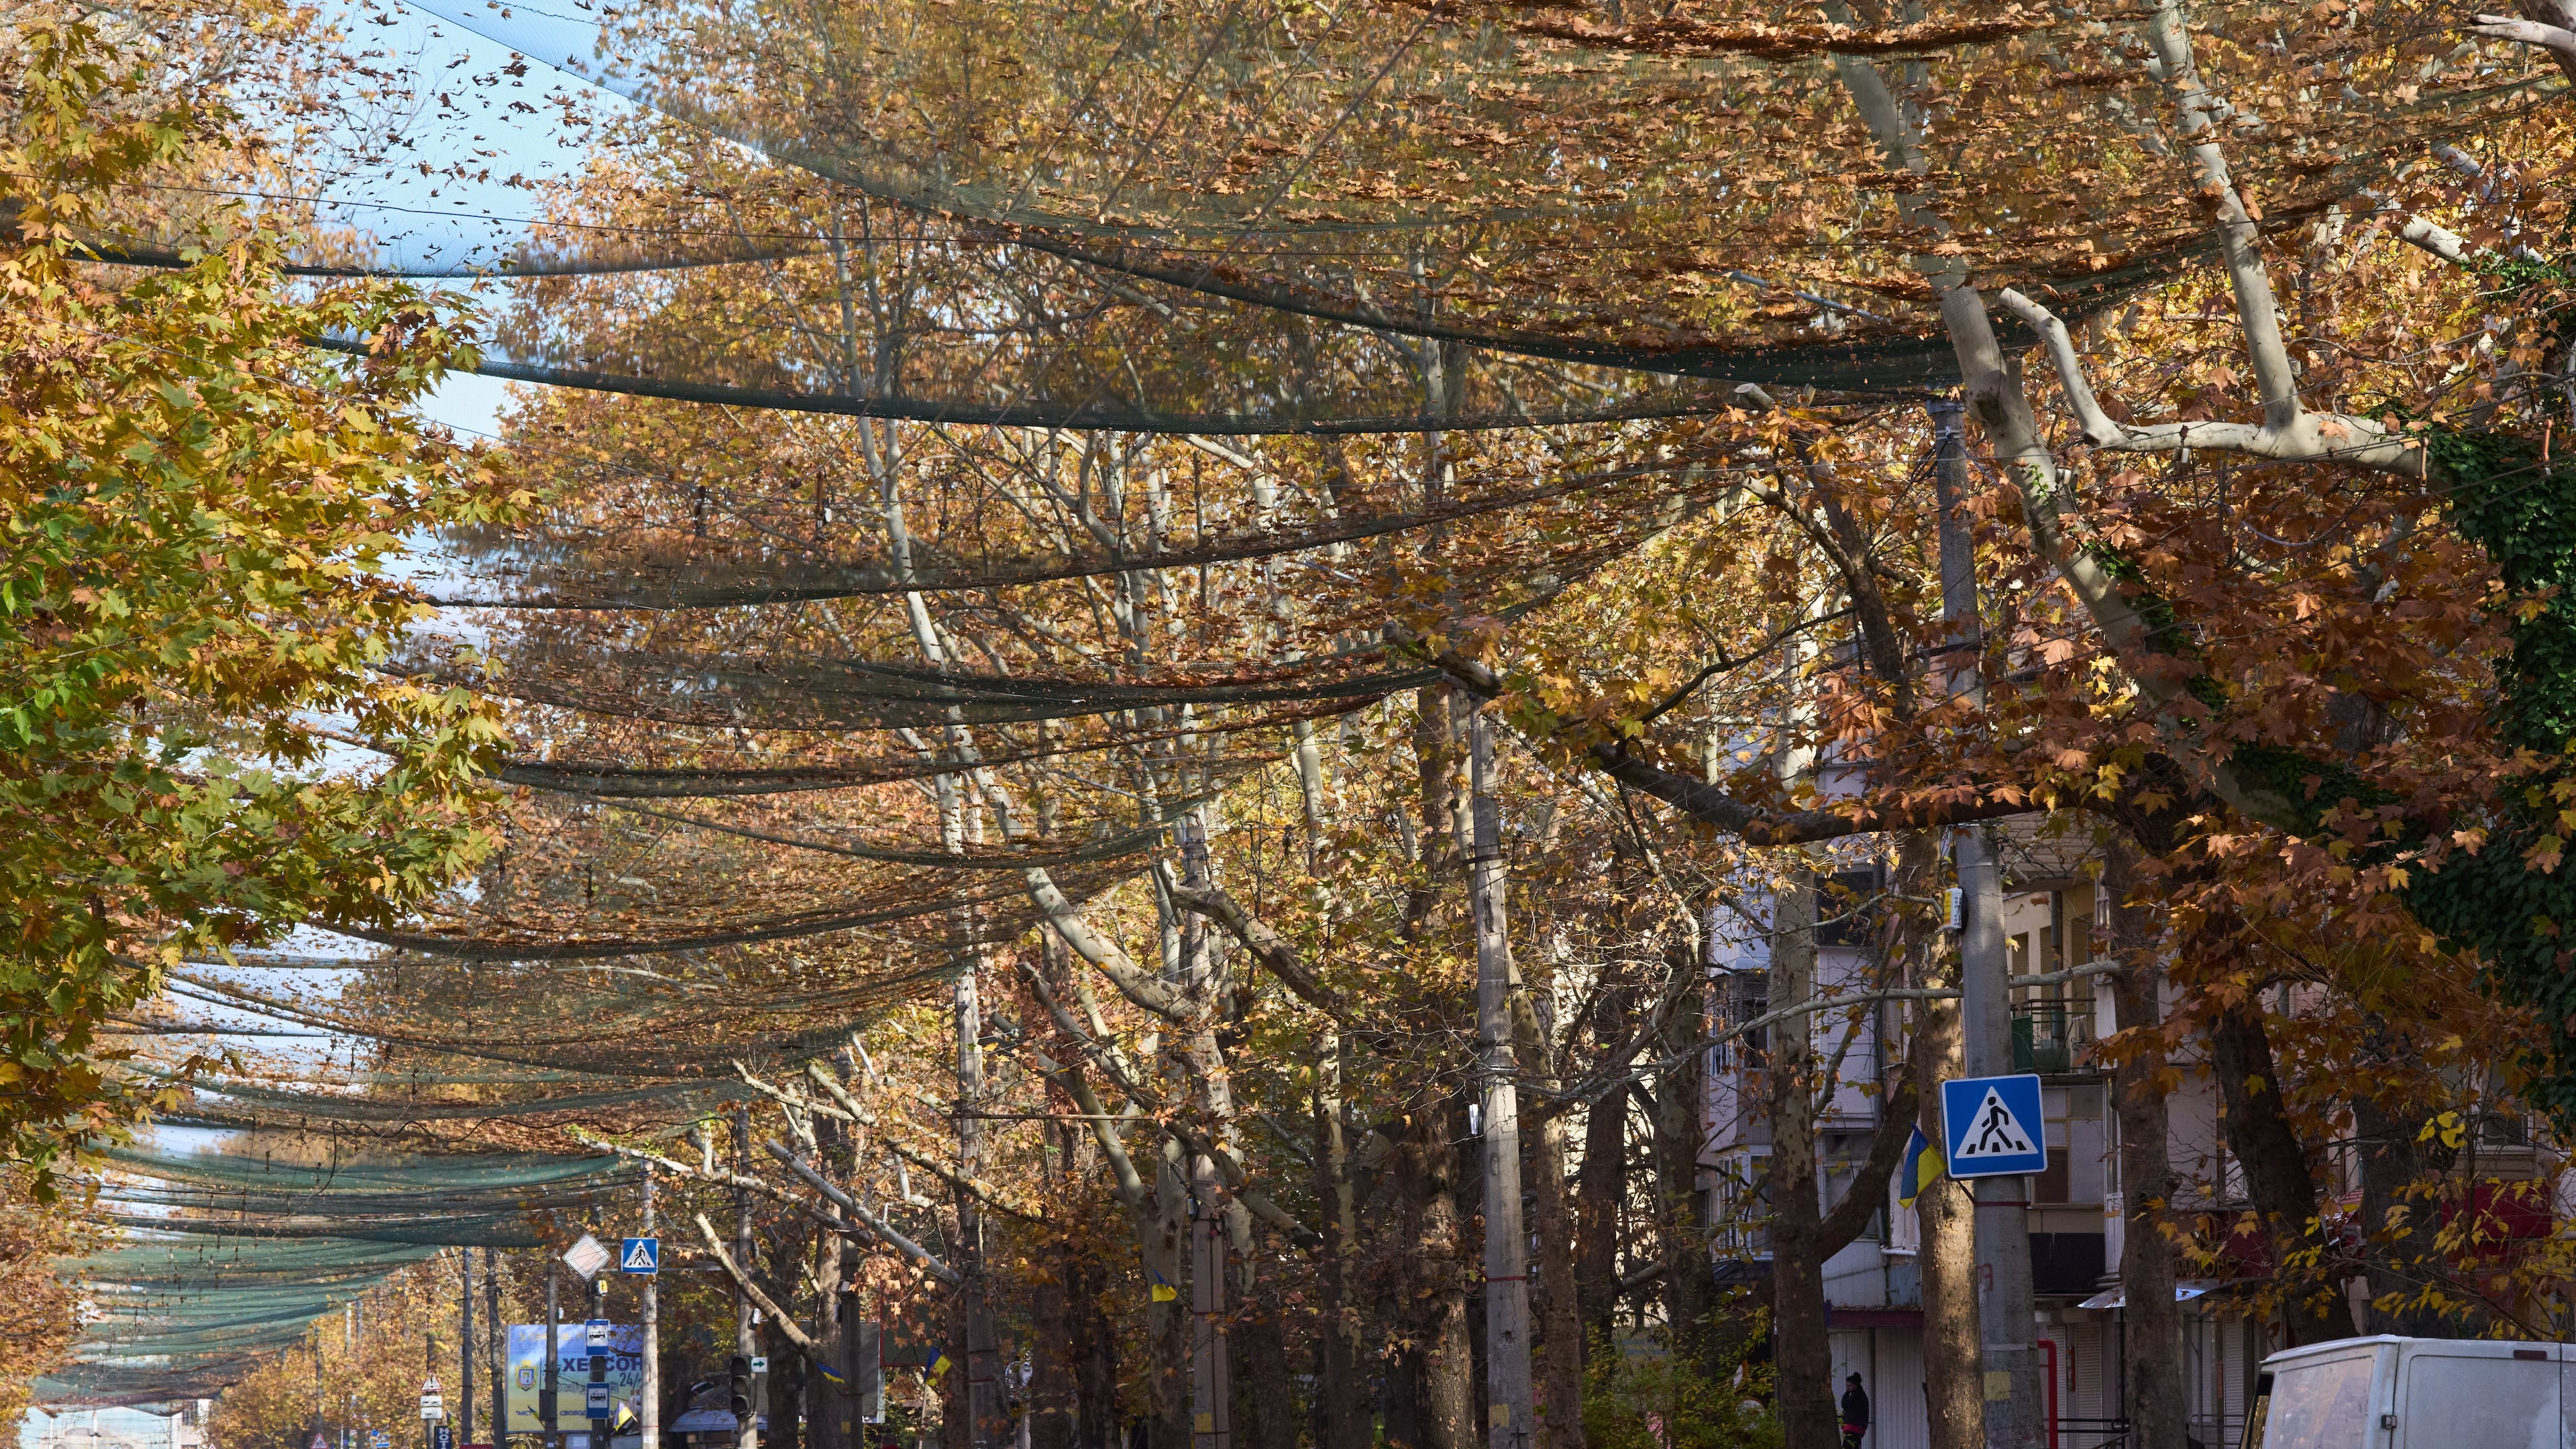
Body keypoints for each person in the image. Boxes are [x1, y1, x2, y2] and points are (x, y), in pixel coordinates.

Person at [1839, 1373, 1870, 1449]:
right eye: (1847, 1386)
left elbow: (1845, 1404)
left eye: (1850, 1386)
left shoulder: (1857, 1396)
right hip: (1856, 1427)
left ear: (1856, 1385)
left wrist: (1846, 1393)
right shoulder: (1859, 1394)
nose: (1848, 1388)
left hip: (1853, 1427)